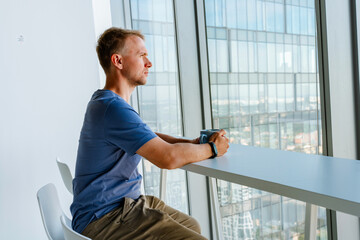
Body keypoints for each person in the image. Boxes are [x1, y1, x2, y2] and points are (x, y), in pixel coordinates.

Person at [70, 27, 229, 240]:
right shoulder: (112, 107)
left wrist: (190, 143)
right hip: (106, 218)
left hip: (121, 204)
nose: (149, 63)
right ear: (118, 61)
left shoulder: (107, 102)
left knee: (192, 225)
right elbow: (167, 158)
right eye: (142, 55)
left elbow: (148, 135)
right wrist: (212, 148)